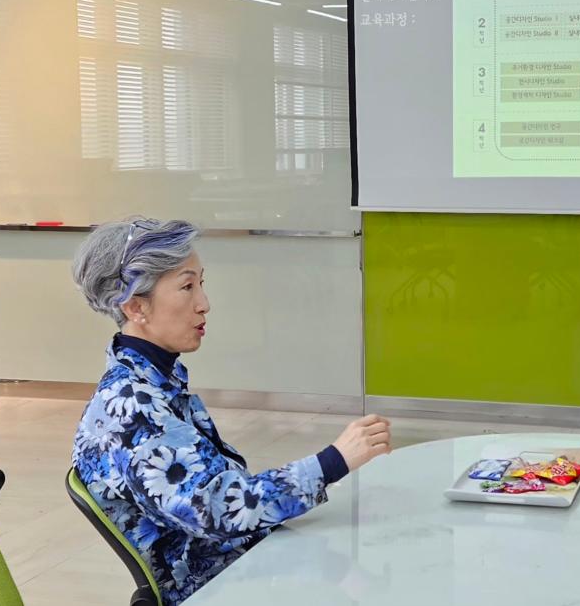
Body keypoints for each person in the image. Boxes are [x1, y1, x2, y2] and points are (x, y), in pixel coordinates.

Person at [70, 218, 392, 605]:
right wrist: (333, 462)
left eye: (201, 284)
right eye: (187, 287)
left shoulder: (152, 381)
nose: (204, 303)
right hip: (224, 585)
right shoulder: (132, 407)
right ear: (136, 306)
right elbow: (218, 511)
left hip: (244, 564)